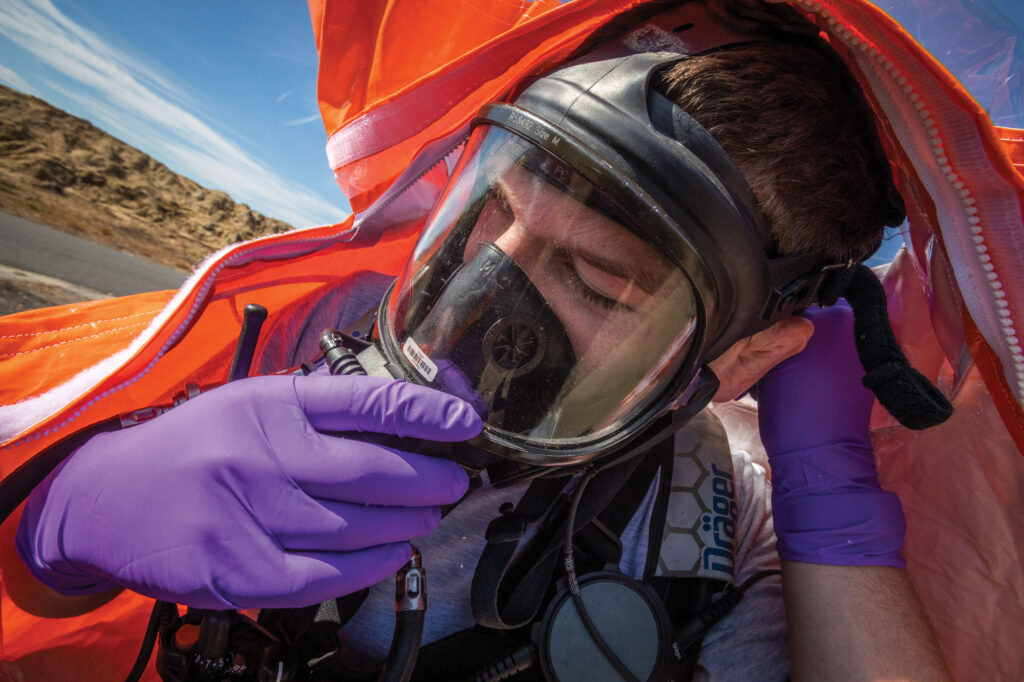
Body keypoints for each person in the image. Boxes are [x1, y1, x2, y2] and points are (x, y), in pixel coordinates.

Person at [7, 7, 953, 682]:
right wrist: (55, 532)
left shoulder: (714, 520)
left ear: (742, 357)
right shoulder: (294, 338)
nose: (482, 286)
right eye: (490, 206)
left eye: (599, 282)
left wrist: (833, 501)